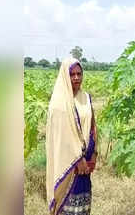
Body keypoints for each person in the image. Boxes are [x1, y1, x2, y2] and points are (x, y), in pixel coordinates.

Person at [46, 58, 98, 215]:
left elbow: (93, 125)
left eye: (79, 74)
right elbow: (60, 137)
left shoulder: (86, 97)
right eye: (72, 74)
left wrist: (94, 153)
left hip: (85, 167)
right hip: (68, 166)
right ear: (65, 76)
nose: (76, 78)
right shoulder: (58, 104)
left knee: (83, 207)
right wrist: (77, 159)